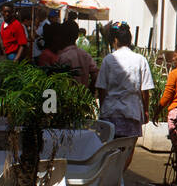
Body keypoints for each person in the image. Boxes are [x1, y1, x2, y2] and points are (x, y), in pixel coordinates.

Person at [95, 23, 153, 173]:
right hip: (131, 112)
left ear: (115, 40)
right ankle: (119, 177)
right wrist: (146, 111)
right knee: (128, 150)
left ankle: (113, 180)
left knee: (109, 150)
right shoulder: (140, 60)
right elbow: (145, 90)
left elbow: (101, 88)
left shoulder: (108, 59)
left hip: (110, 112)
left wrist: (103, 108)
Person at [55, 19, 97, 87]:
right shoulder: (86, 55)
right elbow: (95, 75)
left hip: (68, 96)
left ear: (61, 36)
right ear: (77, 36)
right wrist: (90, 89)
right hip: (84, 95)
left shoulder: (62, 57)